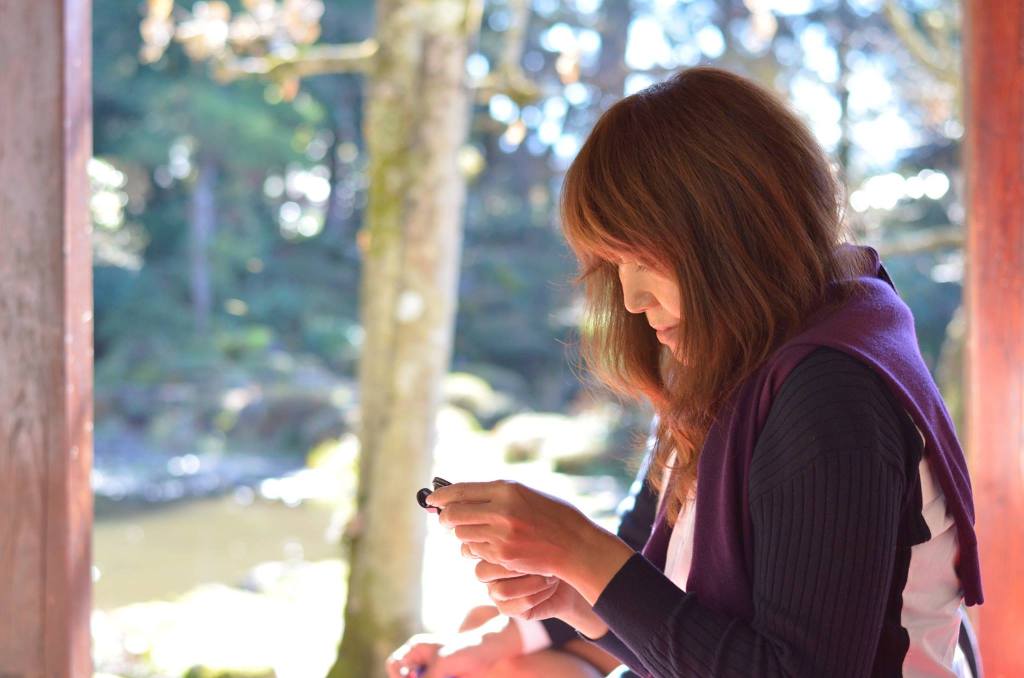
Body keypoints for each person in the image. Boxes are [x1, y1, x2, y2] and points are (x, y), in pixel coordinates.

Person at [392, 65, 985, 677]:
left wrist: (584, 559)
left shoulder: (830, 393)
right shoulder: (729, 365)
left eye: (644, 257)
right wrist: (568, 590)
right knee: (504, 653)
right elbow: (647, 582)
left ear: (734, 234)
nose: (630, 300)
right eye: (613, 264)